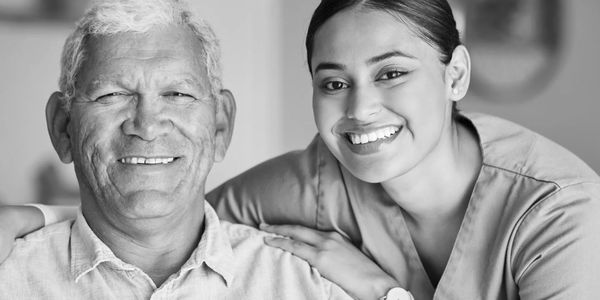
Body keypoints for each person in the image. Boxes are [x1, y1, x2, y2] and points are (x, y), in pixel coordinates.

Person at [2, 0, 600, 299]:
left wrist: (380, 293)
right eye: (334, 83)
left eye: (392, 73)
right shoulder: (310, 184)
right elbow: (162, 202)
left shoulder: (561, 212)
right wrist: (42, 222)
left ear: (456, 75)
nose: (361, 108)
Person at [0, 0, 355, 299]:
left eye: (178, 94)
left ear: (220, 126)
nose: (147, 124)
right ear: (63, 127)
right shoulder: (10, 276)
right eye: (111, 95)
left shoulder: (309, 285)